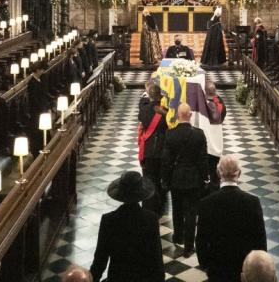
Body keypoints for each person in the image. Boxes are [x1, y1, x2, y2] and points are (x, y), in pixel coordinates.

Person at [196, 156, 267, 282]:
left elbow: (201, 240)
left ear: (219, 173)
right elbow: (260, 239)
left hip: (217, 267)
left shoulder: (206, 203)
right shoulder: (252, 202)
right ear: (239, 173)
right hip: (244, 267)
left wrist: (206, 265)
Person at [89, 171, 165, 282]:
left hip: (118, 278)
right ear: (141, 195)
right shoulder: (150, 219)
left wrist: (93, 279)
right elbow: (156, 257)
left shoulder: (108, 220)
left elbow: (100, 259)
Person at [161, 103, 209, 257]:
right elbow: (203, 160)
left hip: (176, 179)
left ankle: (178, 237)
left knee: (177, 209)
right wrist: (205, 177)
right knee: (191, 212)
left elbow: (166, 161)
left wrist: (165, 179)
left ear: (178, 116)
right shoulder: (199, 134)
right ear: (189, 115)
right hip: (193, 180)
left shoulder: (170, 134)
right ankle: (189, 247)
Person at [138, 80, 167, 214]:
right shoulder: (165, 112)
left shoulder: (144, 110)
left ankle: (149, 207)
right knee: (160, 178)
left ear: (149, 95)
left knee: (148, 179)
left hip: (148, 150)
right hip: (161, 150)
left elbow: (142, 118)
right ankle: (160, 206)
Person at [203, 81, 227, 189]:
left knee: (206, 167)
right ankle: (215, 187)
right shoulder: (220, 102)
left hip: (206, 138)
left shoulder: (203, 104)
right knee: (214, 167)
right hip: (216, 139)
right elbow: (223, 115)